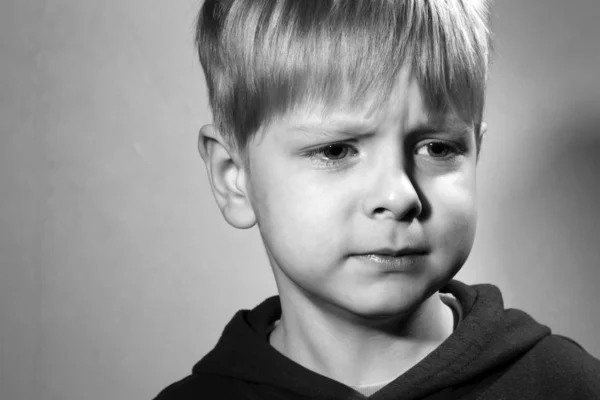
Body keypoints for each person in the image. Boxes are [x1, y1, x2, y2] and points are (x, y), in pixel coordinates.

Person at [155, 0, 600, 398]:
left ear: (476, 153)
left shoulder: (571, 386)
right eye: (336, 150)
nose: (400, 195)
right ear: (234, 178)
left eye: (438, 148)